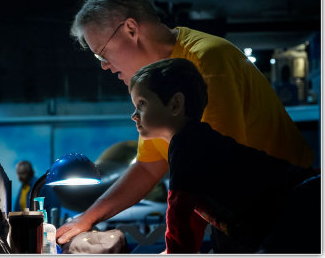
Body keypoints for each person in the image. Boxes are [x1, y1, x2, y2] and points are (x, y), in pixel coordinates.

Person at [56, 0, 314, 252]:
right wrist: (87, 218)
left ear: (131, 29)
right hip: (250, 217)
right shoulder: (157, 81)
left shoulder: (207, 59)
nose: (103, 66)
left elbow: (207, 173)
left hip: (290, 214)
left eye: (101, 53)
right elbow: (147, 167)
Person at [128, 58, 320, 253]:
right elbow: (192, 211)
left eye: (142, 103)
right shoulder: (195, 139)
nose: (134, 115)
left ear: (176, 104)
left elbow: (179, 209)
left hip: (298, 207)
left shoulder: (185, 143)